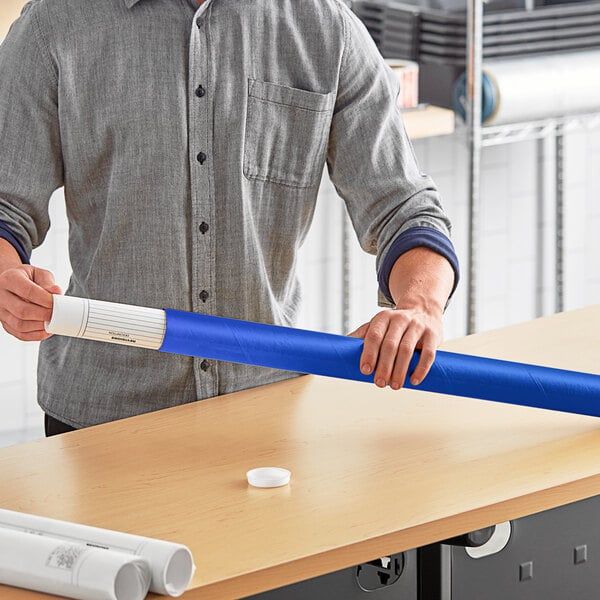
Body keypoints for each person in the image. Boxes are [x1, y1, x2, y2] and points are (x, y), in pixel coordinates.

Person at [0, 0, 459, 436]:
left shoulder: (325, 27)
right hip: (99, 416)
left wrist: (421, 304)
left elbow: (405, 208)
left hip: (265, 407)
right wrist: (7, 276)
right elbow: (6, 207)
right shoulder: (54, 25)